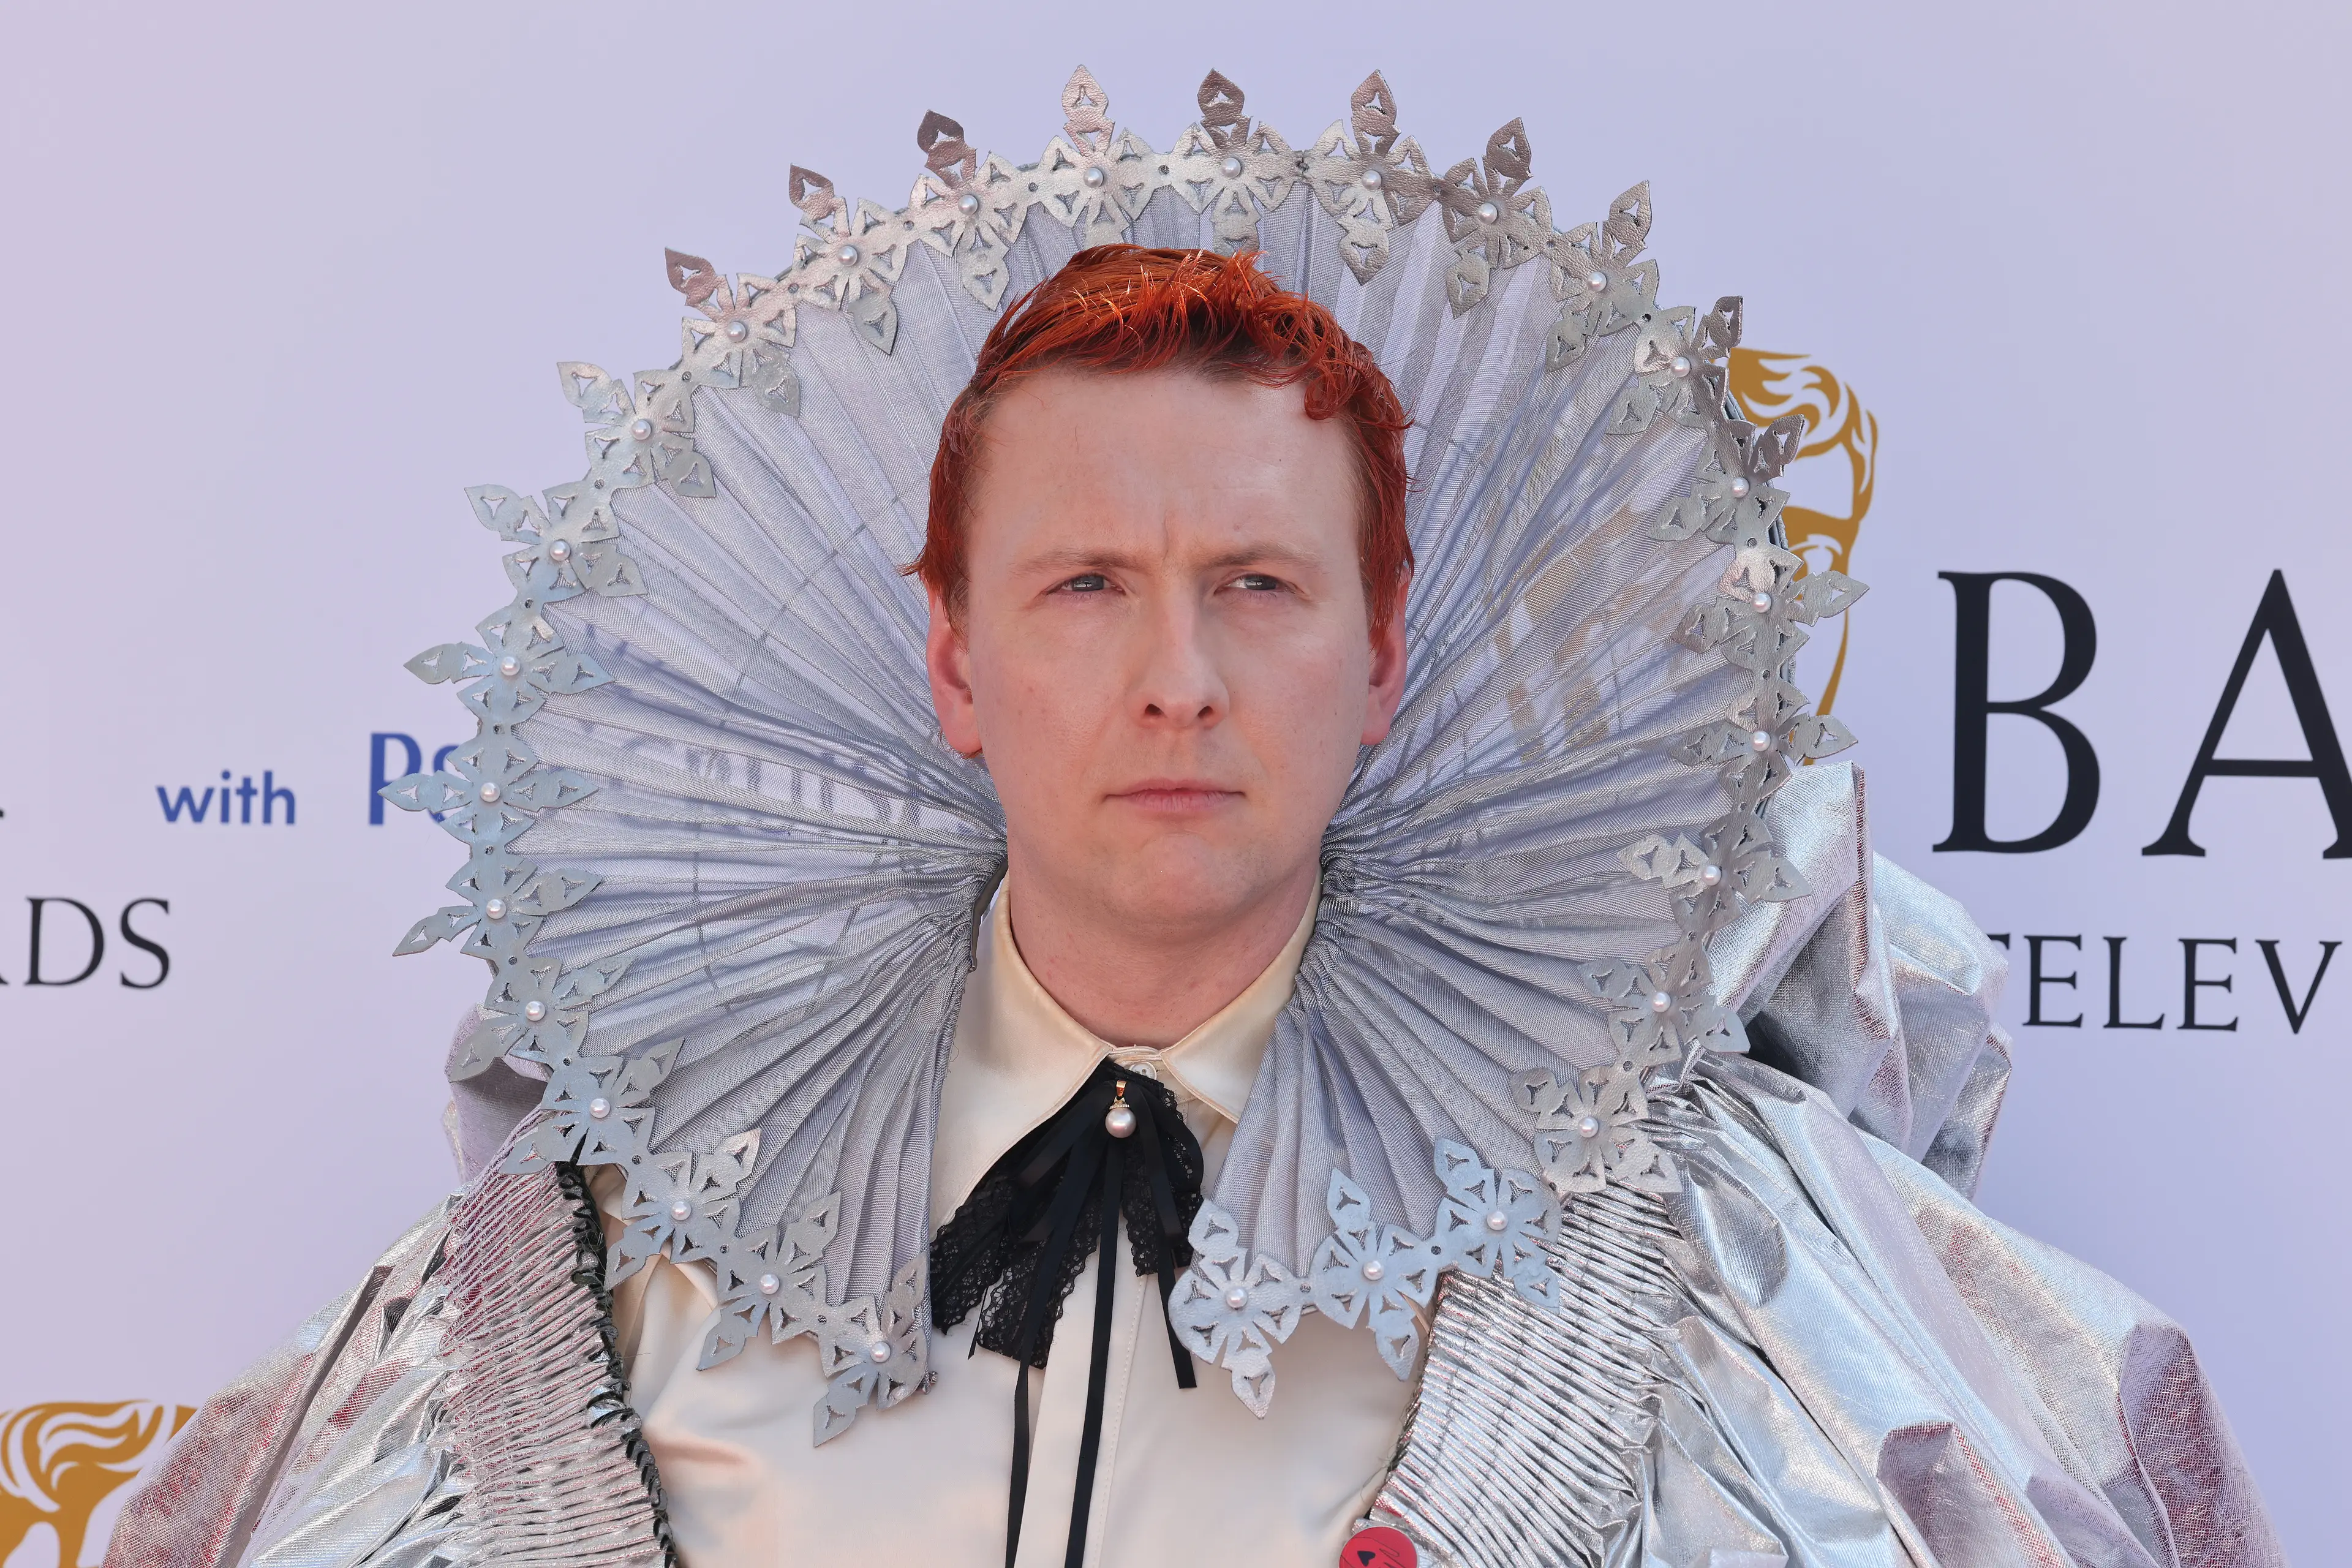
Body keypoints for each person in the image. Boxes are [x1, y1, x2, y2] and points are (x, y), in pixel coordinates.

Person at [107, 69, 2279, 1568]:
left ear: (1383, 655)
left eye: (1257, 585)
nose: (1178, 676)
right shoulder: (593, 1261)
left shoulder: (1721, 1259)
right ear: (953, 664)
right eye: (1084, 590)